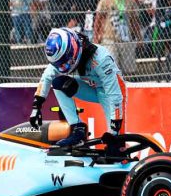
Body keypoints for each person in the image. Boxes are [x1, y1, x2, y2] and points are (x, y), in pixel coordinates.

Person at [29, 27, 127, 155]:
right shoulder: (62, 54)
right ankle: (78, 128)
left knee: (116, 145)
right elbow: (47, 77)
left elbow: (115, 94)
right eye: (59, 64)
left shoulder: (101, 59)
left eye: (64, 62)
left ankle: (121, 153)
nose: (62, 66)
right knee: (59, 83)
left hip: (111, 92)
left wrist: (114, 129)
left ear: (73, 51)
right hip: (93, 87)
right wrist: (36, 106)